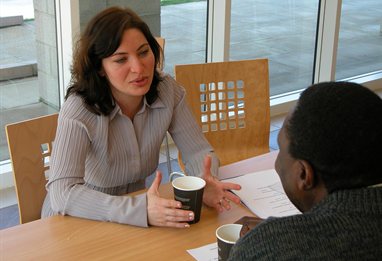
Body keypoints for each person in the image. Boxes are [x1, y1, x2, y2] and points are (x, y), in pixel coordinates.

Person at [41, 6, 241, 228]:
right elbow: (62, 193)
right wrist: (139, 210)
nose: (138, 68)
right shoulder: (79, 108)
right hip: (74, 219)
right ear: (100, 68)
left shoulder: (168, 91)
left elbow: (198, 151)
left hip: (132, 214)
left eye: (144, 52)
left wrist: (203, 181)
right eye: (120, 60)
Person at [229, 81, 382, 260]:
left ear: (304, 174)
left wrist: (273, 239)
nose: (277, 162)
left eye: (280, 149)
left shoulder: (266, 250)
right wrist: (290, 231)